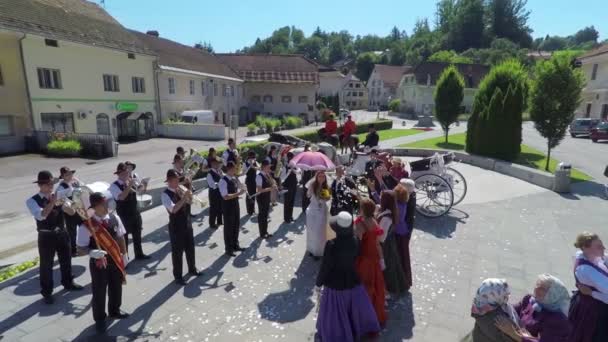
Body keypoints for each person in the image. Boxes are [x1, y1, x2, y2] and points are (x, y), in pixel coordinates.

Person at [315, 212, 380, 342]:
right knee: (353, 309)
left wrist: (318, 282)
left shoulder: (331, 245)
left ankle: (339, 334)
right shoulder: (356, 241)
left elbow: (326, 267)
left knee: (335, 314)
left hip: (335, 284)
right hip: (352, 280)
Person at [26, 170, 83, 304]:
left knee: (66, 259)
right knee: (46, 265)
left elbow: (71, 212)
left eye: (52, 183)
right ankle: (47, 292)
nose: (51, 186)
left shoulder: (57, 196)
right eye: (47, 184)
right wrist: (53, 201)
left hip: (61, 233)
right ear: (40, 185)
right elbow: (42, 215)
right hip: (46, 236)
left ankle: (68, 282)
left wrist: (67, 204)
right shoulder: (32, 201)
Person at [75, 192, 129, 333]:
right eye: (103, 204)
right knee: (99, 291)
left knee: (116, 286)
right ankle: (99, 319)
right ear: (95, 206)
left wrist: (124, 254)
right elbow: (80, 249)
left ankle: (115, 310)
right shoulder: (87, 225)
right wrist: (91, 252)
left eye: (106, 202)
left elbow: (120, 237)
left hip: (115, 259)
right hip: (99, 263)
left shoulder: (114, 217)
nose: (107, 206)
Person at [494, 274, 572, 342]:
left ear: (553, 294)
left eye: (542, 288)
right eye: (537, 284)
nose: (536, 288)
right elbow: (512, 310)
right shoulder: (529, 300)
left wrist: (513, 333)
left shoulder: (558, 321)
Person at [161, 170, 203, 286]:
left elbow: (189, 202)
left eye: (178, 179)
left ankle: (192, 268)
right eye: (175, 180)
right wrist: (184, 198)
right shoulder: (165, 194)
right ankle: (178, 276)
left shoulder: (180, 189)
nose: (177, 182)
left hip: (187, 223)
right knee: (177, 253)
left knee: (190, 248)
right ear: (169, 181)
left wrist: (189, 192)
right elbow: (173, 209)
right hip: (176, 226)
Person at [568, 232, 608, 342]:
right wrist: (592, 293)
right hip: (594, 310)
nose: (604, 248)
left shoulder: (588, 255)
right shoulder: (586, 270)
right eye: (599, 246)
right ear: (586, 248)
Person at [354, 198, 387, 326]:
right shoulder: (374, 221)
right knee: (374, 284)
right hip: (373, 256)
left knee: (363, 285)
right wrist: (382, 259)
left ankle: (362, 316)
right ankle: (374, 312)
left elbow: (357, 242)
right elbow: (378, 243)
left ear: (363, 209)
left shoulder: (360, 223)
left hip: (364, 257)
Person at [109, 163, 149, 260]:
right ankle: (125, 259)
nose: (126, 175)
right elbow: (121, 197)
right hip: (123, 215)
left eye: (127, 173)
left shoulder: (130, 182)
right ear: (118, 174)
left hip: (135, 212)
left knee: (137, 234)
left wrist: (144, 185)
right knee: (124, 238)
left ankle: (139, 254)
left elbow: (140, 193)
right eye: (123, 173)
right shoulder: (114, 186)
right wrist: (129, 185)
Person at [377, 191, 407, 296]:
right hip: (390, 243)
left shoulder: (386, 218)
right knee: (393, 266)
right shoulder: (392, 211)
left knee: (387, 268)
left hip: (385, 246)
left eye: (381, 197)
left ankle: (388, 290)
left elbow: (381, 237)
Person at [219, 161, 246, 257]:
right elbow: (225, 196)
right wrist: (238, 193)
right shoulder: (223, 181)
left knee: (236, 225)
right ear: (230, 169)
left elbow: (239, 186)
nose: (236, 170)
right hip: (227, 206)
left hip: (235, 204)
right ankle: (228, 249)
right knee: (228, 228)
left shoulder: (234, 178)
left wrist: (243, 186)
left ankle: (235, 245)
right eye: (235, 168)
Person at [55, 166, 83, 256]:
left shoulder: (75, 181)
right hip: (69, 210)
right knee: (72, 231)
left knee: (84, 227)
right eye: (67, 175)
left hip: (79, 207)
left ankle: (85, 245)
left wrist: (78, 187)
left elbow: (83, 188)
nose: (70, 176)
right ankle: (73, 250)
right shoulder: (61, 187)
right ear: (62, 176)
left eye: (70, 174)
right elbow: (59, 201)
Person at [305, 171, 330, 260]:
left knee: (319, 232)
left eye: (323, 176)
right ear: (317, 177)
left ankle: (318, 252)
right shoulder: (313, 185)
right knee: (311, 231)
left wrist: (324, 196)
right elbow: (308, 195)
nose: (321, 178)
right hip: (312, 210)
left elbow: (327, 199)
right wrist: (311, 190)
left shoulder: (325, 186)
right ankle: (311, 249)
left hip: (321, 211)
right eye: (320, 176)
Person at [396, 181, 415, 291]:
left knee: (401, 258)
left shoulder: (402, 204)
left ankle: (402, 282)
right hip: (404, 232)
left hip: (401, 234)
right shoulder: (409, 198)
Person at [256, 160, 275, 239]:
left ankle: (265, 231)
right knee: (262, 215)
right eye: (268, 167)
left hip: (266, 197)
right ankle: (262, 233)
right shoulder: (259, 176)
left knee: (265, 215)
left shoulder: (267, 174)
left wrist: (274, 184)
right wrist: (271, 188)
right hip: (261, 198)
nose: (269, 168)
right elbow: (259, 190)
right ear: (263, 167)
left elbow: (272, 182)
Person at [206, 158, 223, 229]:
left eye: (218, 163)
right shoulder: (209, 174)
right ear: (212, 164)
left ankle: (219, 221)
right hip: (213, 193)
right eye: (216, 164)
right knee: (213, 208)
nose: (218, 165)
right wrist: (221, 183)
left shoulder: (219, 171)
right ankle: (212, 223)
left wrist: (222, 176)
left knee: (220, 207)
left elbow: (222, 177)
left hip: (220, 192)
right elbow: (212, 185)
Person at [281, 152, 298, 223]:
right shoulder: (285, 167)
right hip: (287, 186)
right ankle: (286, 218)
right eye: (291, 158)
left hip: (294, 185)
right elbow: (282, 178)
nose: (292, 160)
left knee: (292, 201)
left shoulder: (295, 166)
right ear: (288, 158)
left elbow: (299, 172)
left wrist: (293, 170)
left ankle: (290, 216)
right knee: (287, 202)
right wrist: (289, 171)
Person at [244, 151, 258, 216]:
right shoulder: (245, 163)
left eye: (254, 157)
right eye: (252, 157)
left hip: (254, 180)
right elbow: (244, 172)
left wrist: (253, 166)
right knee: (249, 195)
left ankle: (253, 210)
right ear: (249, 157)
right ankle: (249, 211)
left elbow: (259, 168)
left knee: (254, 195)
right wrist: (250, 166)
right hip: (248, 181)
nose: (253, 158)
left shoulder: (255, 162)